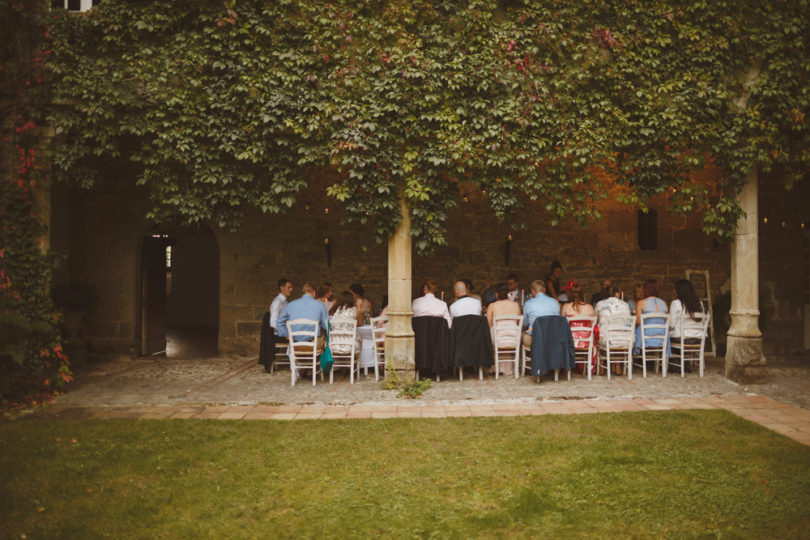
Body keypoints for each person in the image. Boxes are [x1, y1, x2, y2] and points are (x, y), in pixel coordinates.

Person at [277, 283, 330, 351]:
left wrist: (287, 336)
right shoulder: (320, 305)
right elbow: (326, 325)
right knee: (324, 336)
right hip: (314, 345)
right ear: (314, 293)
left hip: (295, 344)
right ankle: (318, 360)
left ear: (303, 292)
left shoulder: (291, 305)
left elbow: (279, 322)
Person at [486, 282, 522, 377]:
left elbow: (488, 325)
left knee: (489, 335)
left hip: (498, 339)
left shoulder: (492, 306)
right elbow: (518, 324)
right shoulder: (515, 305)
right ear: (507, 293)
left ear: (497, 294)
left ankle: (494, 366)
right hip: (514, 338)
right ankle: (509, 368)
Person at [633, 279, 670, 356]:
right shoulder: (664, 303)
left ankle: (633, 358)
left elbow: (638, 322)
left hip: (646, 337)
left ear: (645, 290)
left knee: (633, 334)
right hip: (662, 337)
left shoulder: (641, 303)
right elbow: (666, 322)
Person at [521, 280, 561, 347]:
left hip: (534, 338)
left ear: (532, 291)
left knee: (523, 335)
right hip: (551, 337)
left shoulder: (528, 303)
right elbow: (557, 321)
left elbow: (525, 323)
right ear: (544, 290)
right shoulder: (555, 302)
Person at [329, 291, 359, 355]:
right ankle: (354, 363)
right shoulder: (353, 310)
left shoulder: (334, 310)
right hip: (349, 345)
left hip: (334, 345)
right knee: (360, 339)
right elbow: (359, 323)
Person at [269, 277, 293, 342]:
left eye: (291, 287)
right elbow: (273, 322)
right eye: (289, 287)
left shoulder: (286, 301)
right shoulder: (277, 302)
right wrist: (286, 334)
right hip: (280, 335)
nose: (291, 289)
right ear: (282, 288)